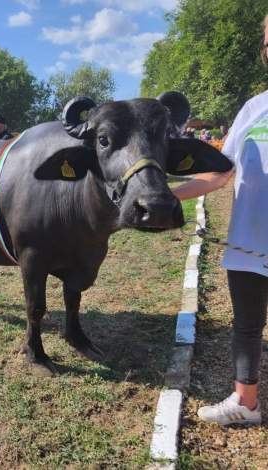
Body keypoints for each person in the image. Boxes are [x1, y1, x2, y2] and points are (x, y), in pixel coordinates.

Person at [172, 14, 268, 427]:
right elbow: (221, 171)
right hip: (250, 243)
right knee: (247, 325)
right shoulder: (255, 108)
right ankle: (246, 403)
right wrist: (164, 196)